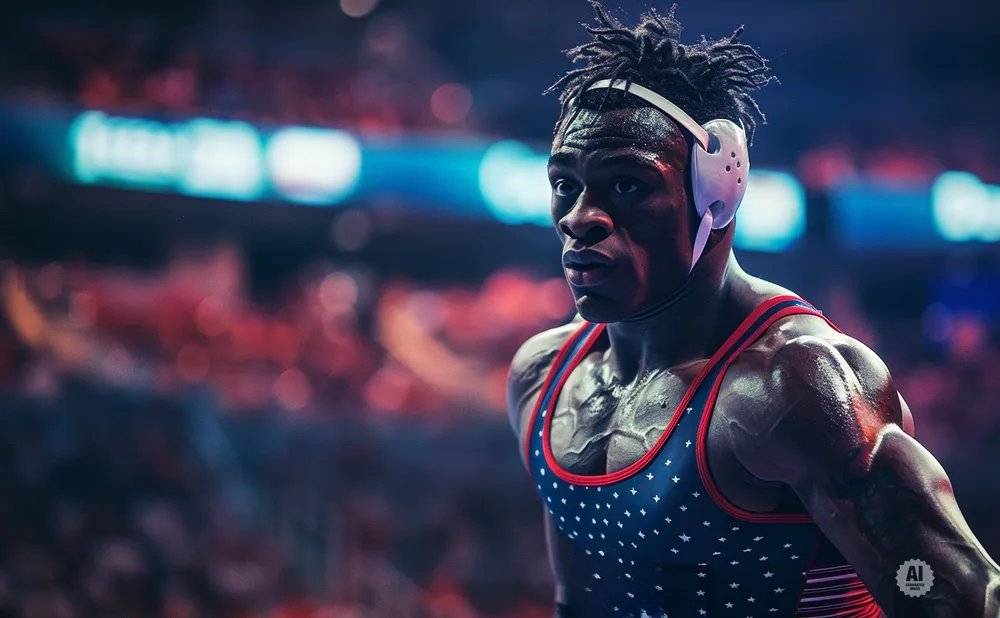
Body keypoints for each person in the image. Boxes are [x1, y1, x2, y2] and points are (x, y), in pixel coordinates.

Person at [505, 3, 1000, 617]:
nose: (580, 218)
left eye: (628, 185)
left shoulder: (795, 386)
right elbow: (579, 601)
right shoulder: (543, 373)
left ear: (716, 194)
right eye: (565, 185)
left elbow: (961, 599)